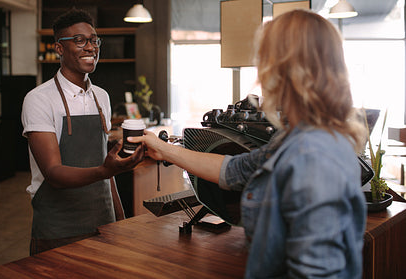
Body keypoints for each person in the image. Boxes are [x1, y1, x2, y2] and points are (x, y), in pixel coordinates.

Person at [130, 9, 367, 278]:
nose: (261, 74)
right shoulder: (301, 139)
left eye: (265, 60)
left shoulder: (311, 155)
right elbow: (235, 170)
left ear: (285, 70)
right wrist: (163, 148)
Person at [21, 8, 144, 255]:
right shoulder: (39, 99)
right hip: (58, 228)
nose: (91, 47)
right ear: (59, 48)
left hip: (104, 223)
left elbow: (106, 169)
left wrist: (120, 220)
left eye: (94, 40)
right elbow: (53, 173)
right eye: (79, 40)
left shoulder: (102, 97)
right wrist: (104, 170)